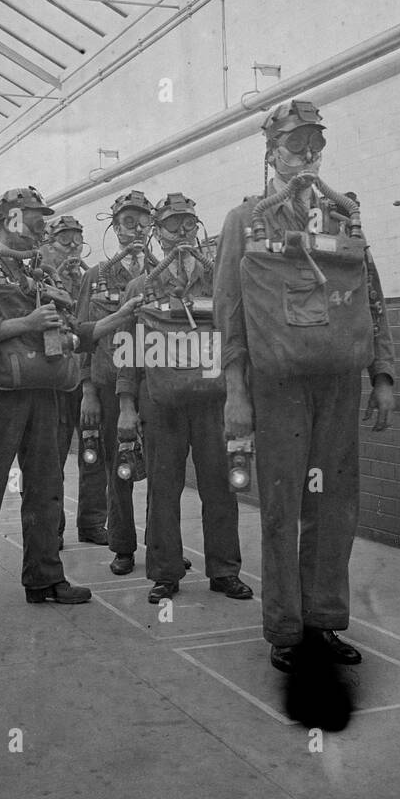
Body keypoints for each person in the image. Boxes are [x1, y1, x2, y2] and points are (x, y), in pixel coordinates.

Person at [213, 101, 396, 671]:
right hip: (279, 385)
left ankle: (323, 622)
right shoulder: (245, 221)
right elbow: (230, 313)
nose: (308, 155)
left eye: (316, 144)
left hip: (339, 385)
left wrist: (382, 376)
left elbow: (372, 299)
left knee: (334, 508)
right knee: (282, 508)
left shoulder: (344, 217)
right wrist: (236, 392)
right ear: (272, 153)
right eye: (296, 146)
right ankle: (285, 630)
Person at [0, 186, 143, 627]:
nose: (41, 225)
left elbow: (75, 330)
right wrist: (26, 323)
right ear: (10, 219)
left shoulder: (37, 274)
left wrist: (119, 317)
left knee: (46, 487)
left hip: (46, 393)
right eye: (34, 217)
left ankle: (44, 578)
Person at [116, 192, 252, 605]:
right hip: (162, 405)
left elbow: (238, 336)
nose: (181, 233)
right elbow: (127, 348)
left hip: (213, 402)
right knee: (163, 490)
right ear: (158, 234)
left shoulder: (218, 280)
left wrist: (241, 395)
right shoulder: (141, 287)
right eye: (172, 226)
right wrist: (125, 406)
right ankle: (166, 573)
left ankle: (225, 570)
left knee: (220, 488)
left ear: (198, 226)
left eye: (188, 224)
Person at [78, 190, 157, 577]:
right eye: (128, 222)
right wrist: (88, 392)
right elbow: (82, 338)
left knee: (161, 472)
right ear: (115, 226)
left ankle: (162, 547)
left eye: (143, 221)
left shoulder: (164, 270)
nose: (137, 229)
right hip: (110, 388)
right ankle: (123, 547)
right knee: (119, 471)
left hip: (155, 387)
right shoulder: (96, 276)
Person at [38, 214, 108, 549]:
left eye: (77, 240)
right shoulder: (36, 281)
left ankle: (93, 523)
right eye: (64, 241)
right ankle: (51, 528)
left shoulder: (93, 282)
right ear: (47, 245)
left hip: (85, 381)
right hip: (52, 382)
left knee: (94, 453)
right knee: (50, 458)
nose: (72, 247)